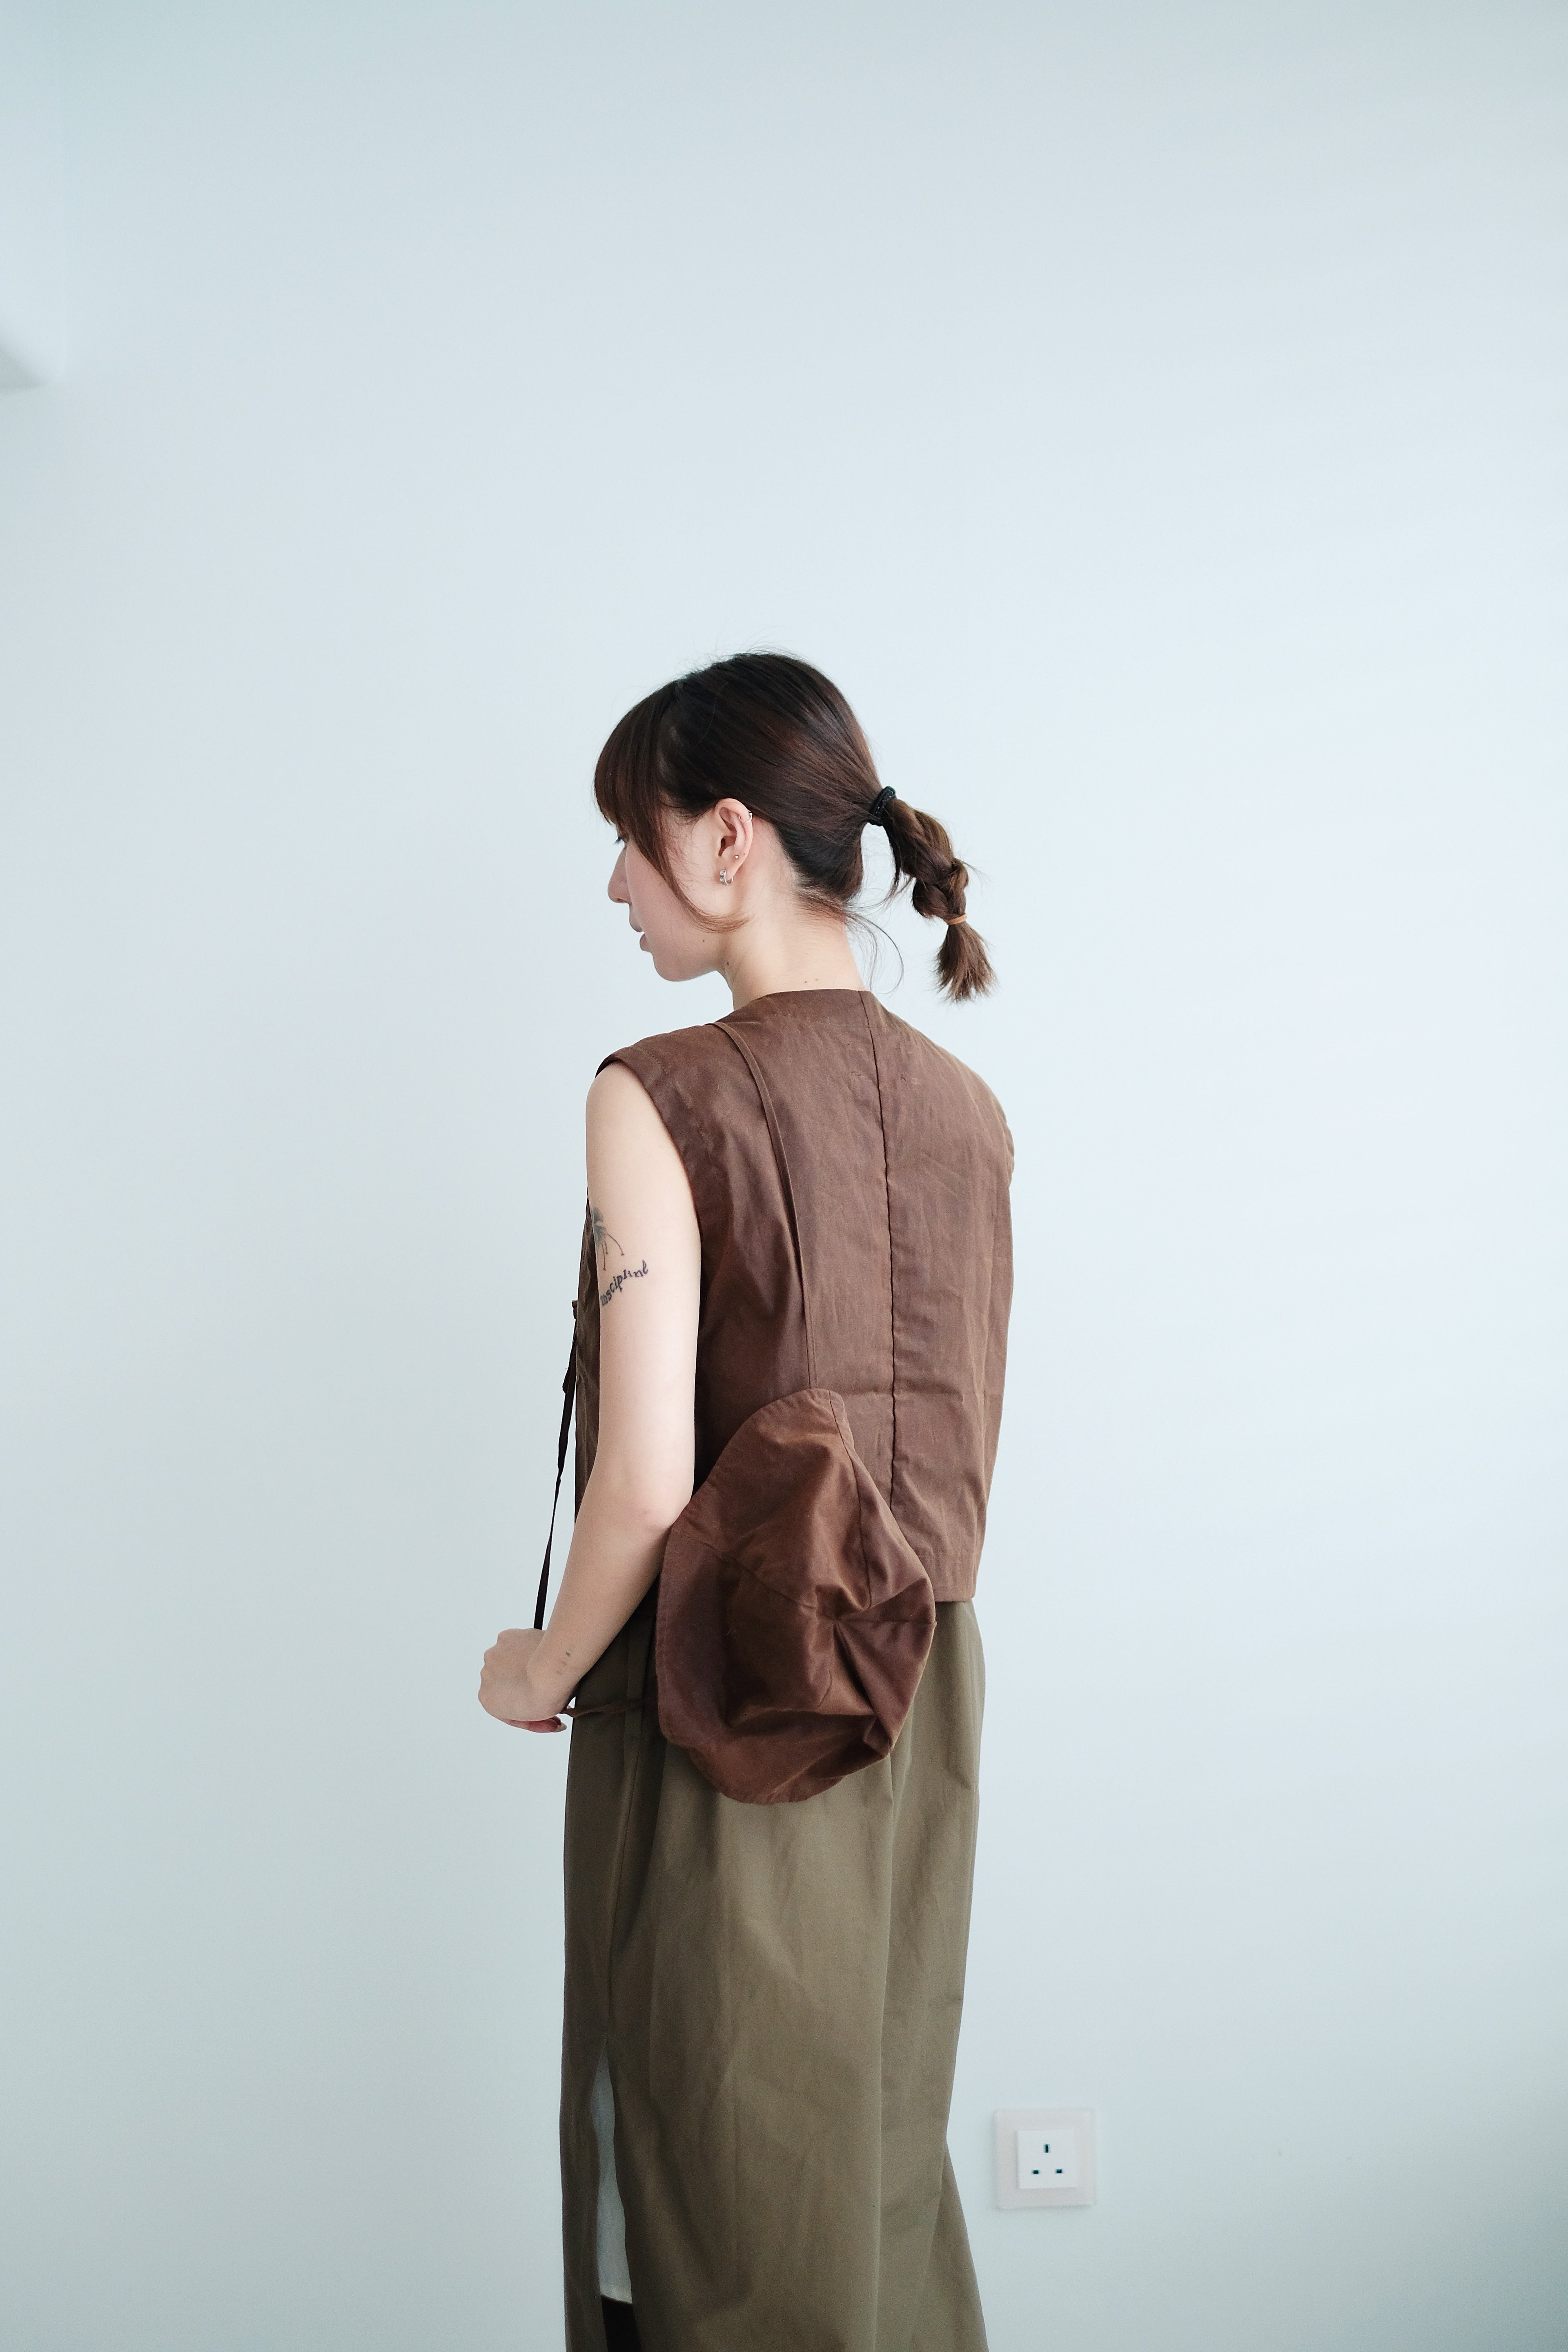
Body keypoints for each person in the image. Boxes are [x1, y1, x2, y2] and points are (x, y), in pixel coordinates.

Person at [479, 653, 1014, 2352]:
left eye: (628, 839)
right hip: (917, 1702)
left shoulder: (659, 1091)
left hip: (725, 1697)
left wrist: (537, 1665)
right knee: (864, 2174)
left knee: (696, 2204)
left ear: (725, 840)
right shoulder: (972, 1115)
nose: (613, 885)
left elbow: (646, 1482)